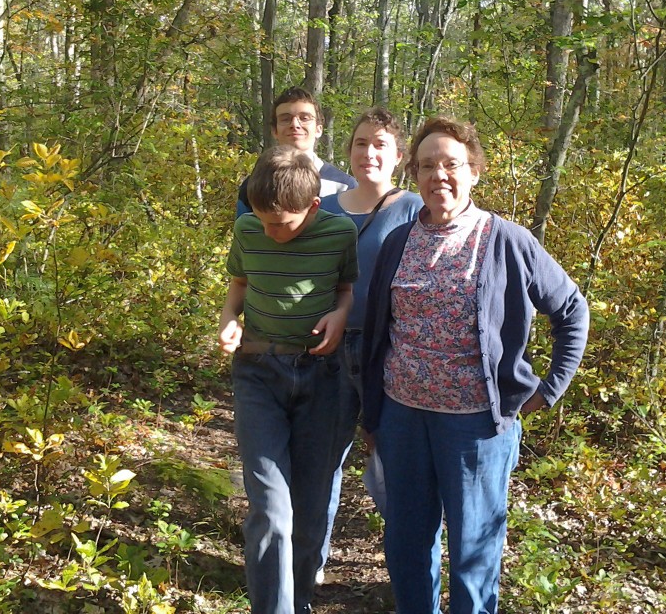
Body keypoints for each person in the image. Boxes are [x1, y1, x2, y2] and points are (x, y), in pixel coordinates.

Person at [360, 117, 589, 614]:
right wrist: (372, 415)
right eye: (426, 166)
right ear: (414, 174)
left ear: (475, 172)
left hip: (477, 427)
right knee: (405, 544)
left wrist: (548, 388)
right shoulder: (397, 243)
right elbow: (379, 334)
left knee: (473, 552)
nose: (438, 175)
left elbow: (571, 310)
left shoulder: (507, 240)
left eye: (451, 164)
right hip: (402, 419)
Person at [219, 145, 358, 614]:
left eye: (284, 223)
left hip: (322, 378)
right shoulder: (247, 229)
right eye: (263, 220)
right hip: (259, 373)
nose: (271, 232)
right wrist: (228, 320)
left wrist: (340, 316)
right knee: (272, 511)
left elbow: (345, 291)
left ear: (314, 207)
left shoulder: (340, 233)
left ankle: (297, 601)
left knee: (310, 508)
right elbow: (238, 285)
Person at [317, 108, 422, 575]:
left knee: (393, 468)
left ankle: (406, 572)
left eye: (380, 145)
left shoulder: (414, 209)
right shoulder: (325, 209)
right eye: (361, 144)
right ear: (349, 151)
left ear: (398, 156)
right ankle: (308, 568)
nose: (369, 153)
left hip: (389, 352)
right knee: (320, 466)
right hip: (326, 353)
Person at [236, 86, 356, 217]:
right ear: (274, 131)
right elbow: (244, 235)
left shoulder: (343, 186)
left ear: (318, 129)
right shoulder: (254, 184)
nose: (295, 124)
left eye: (304, 118)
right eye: (285, 119)